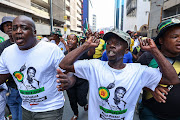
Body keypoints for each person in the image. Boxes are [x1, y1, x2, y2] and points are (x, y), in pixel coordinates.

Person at [58, 29, 179, 120]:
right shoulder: (94, 66)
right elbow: (64, 65)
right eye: (109, 42)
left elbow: (172, 79)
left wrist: (154, 51)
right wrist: (85, 45)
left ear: (127, 50)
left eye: (118, 43)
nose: (111, 45)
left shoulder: (138, 71)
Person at [0, 15, 75, 120]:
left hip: (50, 109)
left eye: (24, 28)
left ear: (34, 32)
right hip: (26, 108)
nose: (18, 31)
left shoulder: (51, 49)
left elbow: (70, 71)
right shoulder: (7, 53)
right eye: (14, 28)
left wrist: (70, 81)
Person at [138, 18, 180, 120]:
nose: (179, 40)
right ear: (161, 40)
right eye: (174, 37)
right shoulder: (148, 57)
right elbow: (133, 80)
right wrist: (150, 88)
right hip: (152, 114)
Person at [65, 33, 95, 120]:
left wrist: (91, 43)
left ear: (77, 43)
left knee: (81, 100)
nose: (70, 41)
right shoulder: (65, 53)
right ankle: (75, 114)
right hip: (70, 82)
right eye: (69, 39)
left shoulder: (81, 52)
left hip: (82, 81)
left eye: (73, 39)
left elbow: (90, 53)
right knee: (72, 100)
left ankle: (85, 104)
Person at [0, 16, 22, 120]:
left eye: (10, 24)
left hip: (24, 89)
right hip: (10, 88)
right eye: (6, 25)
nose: (8, 27)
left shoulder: (24, 43)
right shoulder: (2, 46)